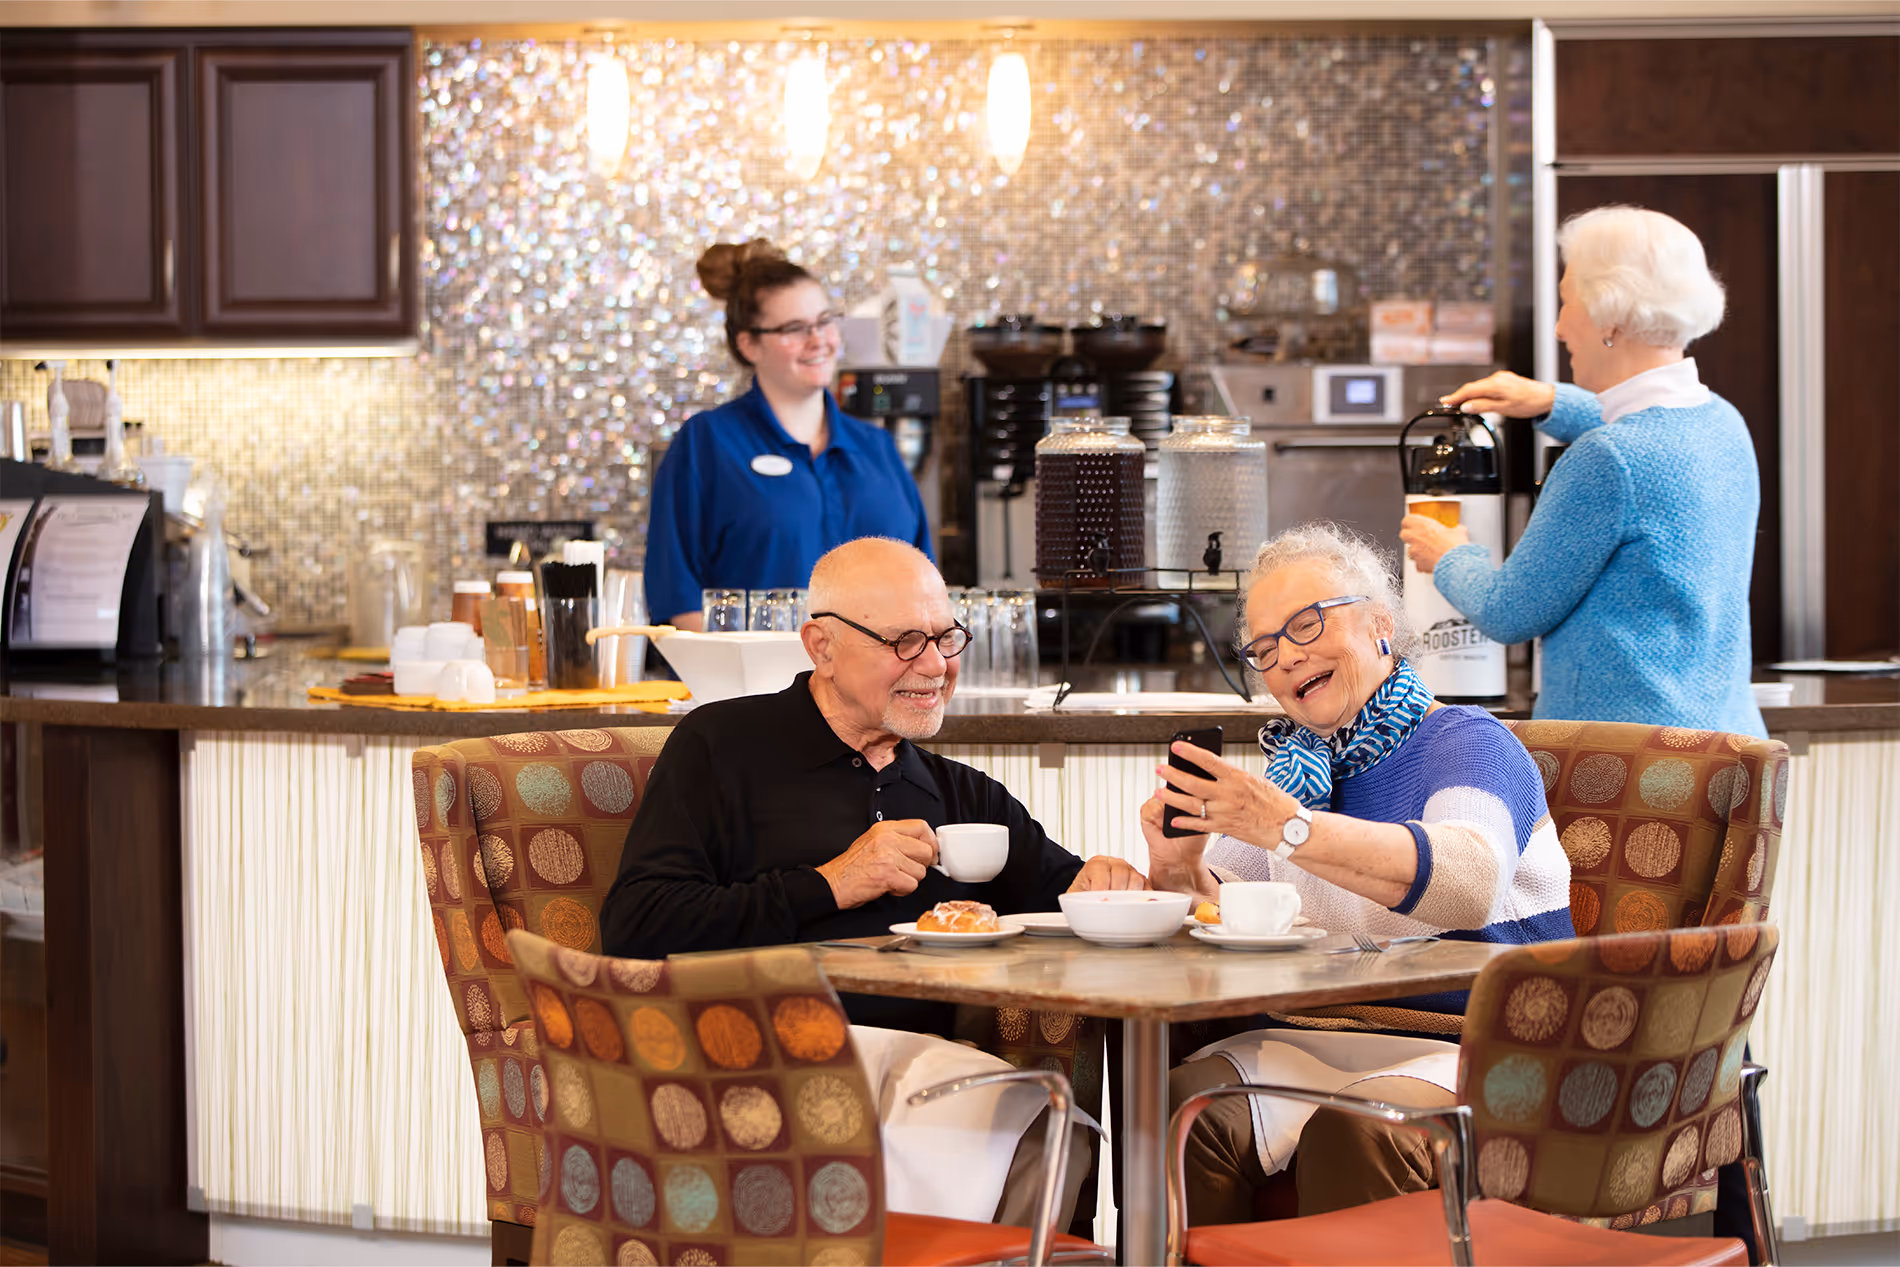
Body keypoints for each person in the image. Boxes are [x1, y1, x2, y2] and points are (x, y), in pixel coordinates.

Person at [602, 537, 1143, 1229]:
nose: (936, 665)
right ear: (820, 646)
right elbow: (636, 925)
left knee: (1061, 1130)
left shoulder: (959, 794)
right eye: (906, 641)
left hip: (923, 1078)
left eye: (947, 637)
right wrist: (829, 883)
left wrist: (1119, 880)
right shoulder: (722, 746)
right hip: (748, 1067)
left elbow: (1074, 897)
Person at [1143, 522, 1570, 1222]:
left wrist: (1284, 825)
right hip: (1324, 1036)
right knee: (1187, 1108)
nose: (1286, 659)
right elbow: (1226, 912)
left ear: (1380, 624)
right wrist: (1181, 874)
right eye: (1264, 648)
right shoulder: (1299, 771)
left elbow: (1469, 881)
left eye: (1306, 624)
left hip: (1474, 1043)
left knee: (1356, 1130)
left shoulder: (1469, 744)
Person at [1400, 205, 1765, 738]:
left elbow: (1508, 612)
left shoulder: (1606, 459)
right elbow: (1652, 445)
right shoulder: (1721, 423)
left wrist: (1450, 555)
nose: (1559, 326)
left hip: (1622, 762)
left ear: (1610, 318)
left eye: (1569, 302)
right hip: (1727, 750)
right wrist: (1550, 400)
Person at [643, 239, 931, 629]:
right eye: (794, 329)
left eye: (825, 321)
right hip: (754, 688)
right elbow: (677, 597)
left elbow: (924, 588)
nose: (819, 341)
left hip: (882, 686)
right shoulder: (706, 444)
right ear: (749, 344)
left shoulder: (877, 447)